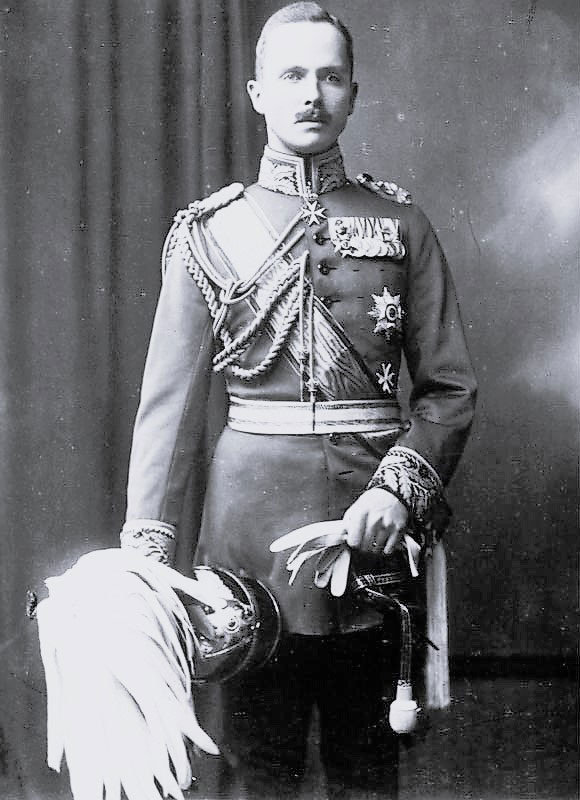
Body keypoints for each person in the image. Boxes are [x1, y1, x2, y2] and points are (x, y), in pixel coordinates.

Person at [120, 3, 477, 798]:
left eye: (329, 76)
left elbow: (449, 389)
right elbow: (168, 410)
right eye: (291, 76)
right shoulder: (210, 233)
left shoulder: (402, 224)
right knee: (260, 767)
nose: (311, 93)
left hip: (373, 532)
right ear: (257, 93)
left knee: (367, 767)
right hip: (250, 547)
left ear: (352, 94)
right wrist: (147, 550)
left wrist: (398, 491)